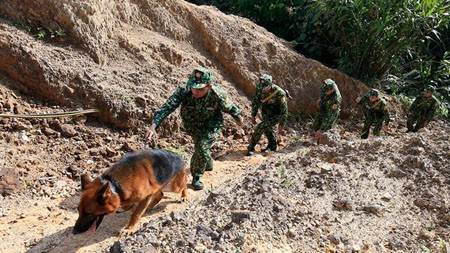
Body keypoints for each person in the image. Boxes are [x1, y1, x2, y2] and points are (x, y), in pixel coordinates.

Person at [146, 67, 243, 190]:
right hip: (192, 125)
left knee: (202, 147)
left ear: (209, 86)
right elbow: (168, 106)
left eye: (200, 89)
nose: (196, 92)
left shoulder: (218, 95)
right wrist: (154, 125)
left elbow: (230, 108)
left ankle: (196, 176)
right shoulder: (184, 90)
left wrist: (238, 118)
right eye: (194, 87)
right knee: (199, 146)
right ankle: (207, 161)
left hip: (211, 125)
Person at [246, 74, 288, 156]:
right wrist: (253, 115)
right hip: (266, 110)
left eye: (265, 89)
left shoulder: (280, 93)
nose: (263, 91)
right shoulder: (259, 87)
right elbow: (256, 101)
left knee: (260, 127)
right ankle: (272, 146)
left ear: (271, 85)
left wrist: (281, 125)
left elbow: (284, 111)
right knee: (267, 128)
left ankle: (251, 147)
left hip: (277, 113)